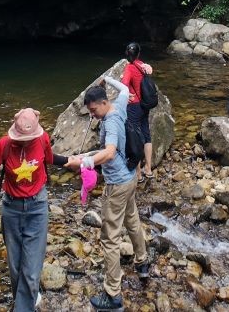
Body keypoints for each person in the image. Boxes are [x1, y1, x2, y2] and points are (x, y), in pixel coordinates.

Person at [0, 108, 72, 311]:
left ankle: (23, 306)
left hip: (37, 206)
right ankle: (25, 298)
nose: (24, 141)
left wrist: (72, 161)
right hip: (11, 208)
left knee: (31, 268)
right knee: (15, 266)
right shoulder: (5, 144)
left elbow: (49, 158)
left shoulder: (42, 139)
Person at [65, 75, 148, 311]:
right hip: (131, 177)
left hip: (118, 184)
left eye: (93, 110)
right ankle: (142, 263)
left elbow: (109, 152)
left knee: (109, 238)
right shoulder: (119, 104)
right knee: (132, 220)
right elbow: (123, 88)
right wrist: (107, 79)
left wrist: (86, 163)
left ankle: (113, 296)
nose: (92, 115)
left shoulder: (110, 121)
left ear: (103, 103)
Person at [120, 43, 156, 178]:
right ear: (138, 54)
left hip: (134, 106)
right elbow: (149, 71)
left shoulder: (129, 68)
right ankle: (148, 168)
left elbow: (124, 85)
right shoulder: (142, 65)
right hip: (144, 105)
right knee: (146, 135)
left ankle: (138, 173)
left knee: (134, 137)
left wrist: (127, 94)